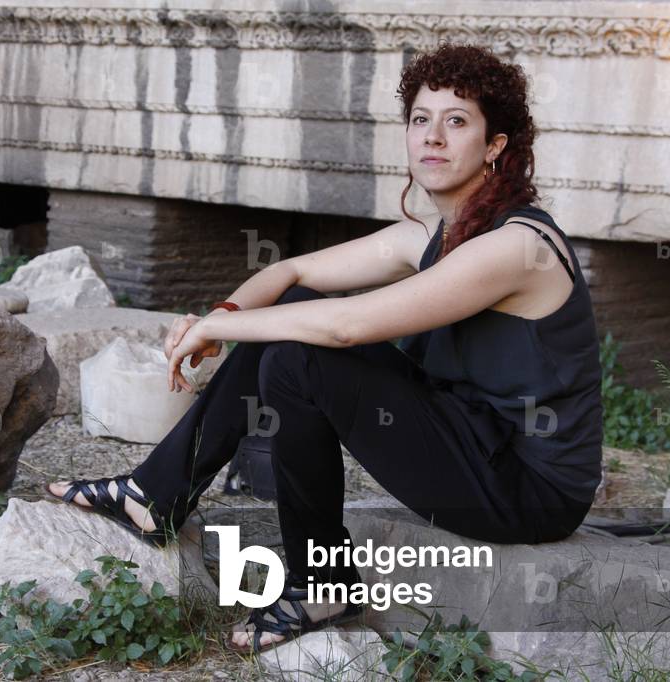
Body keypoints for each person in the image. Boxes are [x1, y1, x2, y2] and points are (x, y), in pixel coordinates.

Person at [47, 42, 603, 653]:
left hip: (527, 490)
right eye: (421, 119)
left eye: (457, 121)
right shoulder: (429, 233)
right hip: (467, 440)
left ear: (495, 144)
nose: (433, 138)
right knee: (288, 320)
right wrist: (222, 313)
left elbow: (343, 327)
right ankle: (159, 494)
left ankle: (313, 578)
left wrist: (216, 332)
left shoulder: (517, 246)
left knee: (299, 350)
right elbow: (289, 274)